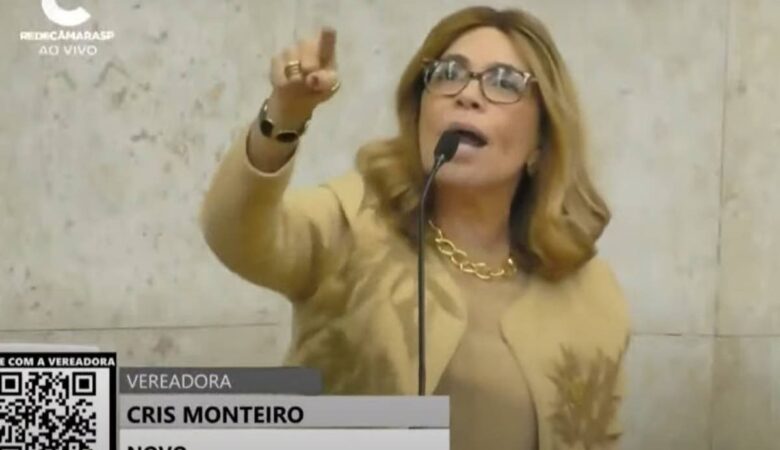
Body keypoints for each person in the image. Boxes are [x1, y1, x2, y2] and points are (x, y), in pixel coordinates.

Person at [201, 6, 630, 450]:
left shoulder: (591, 295)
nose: (468, 94)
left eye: (504, 82)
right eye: (448, 74)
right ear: (419, 112)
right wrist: (283, 117)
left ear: (541, 141)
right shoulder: (354, 223)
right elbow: (235, 235)